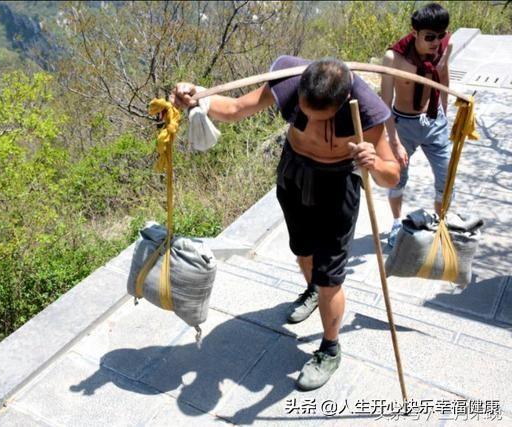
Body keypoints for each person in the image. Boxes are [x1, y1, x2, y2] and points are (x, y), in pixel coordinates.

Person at [171, 56, 400, 391]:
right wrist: (197, 97)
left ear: (338, 105)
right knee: (302, 250)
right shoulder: (293, 81)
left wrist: (375, 162)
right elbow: (235, 108)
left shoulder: (364, 109)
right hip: (293, 173)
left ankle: (330, 348)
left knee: (330, 276)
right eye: (303, 111)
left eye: (317, 116)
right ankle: (311, 291)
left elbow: (391, 176)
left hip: (337, 186)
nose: (306, 117)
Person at [381, 3, 453, 247]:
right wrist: (394, 141)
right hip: (404, 125)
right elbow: (384, 104)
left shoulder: (445, 47)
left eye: (441, 35)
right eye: (430, 36)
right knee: (397, 178)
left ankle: (439, 226)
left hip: (435, 121)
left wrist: (446, 115)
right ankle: (395, 223)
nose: (436, 42)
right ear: (414, 33)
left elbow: (443, 77)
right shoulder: (394, 58)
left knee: (446, 179)